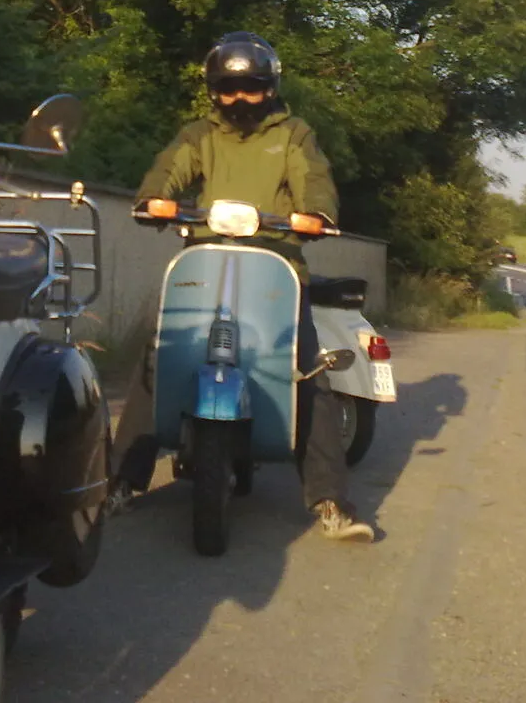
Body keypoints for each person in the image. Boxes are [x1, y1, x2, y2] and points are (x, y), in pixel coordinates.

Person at [107, 32, 375, 542]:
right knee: (158, 358)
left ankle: (330, 501)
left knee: (307, 370)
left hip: (276, 266)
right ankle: (120, 481)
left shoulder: (293, 134)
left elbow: (314, 181)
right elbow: (168, 171)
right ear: (214, 90)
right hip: (205, 264)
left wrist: (316, 214)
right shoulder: (199, 135)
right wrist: (154, 199)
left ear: (270, 88)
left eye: (250, 88)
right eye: (228, 89)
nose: (239, 99)